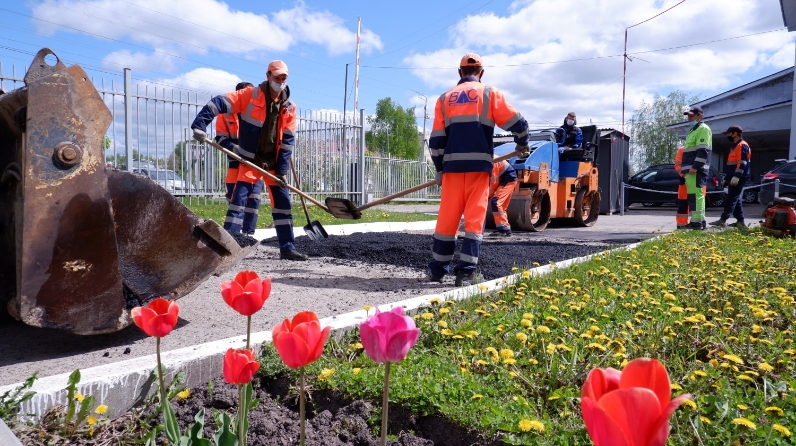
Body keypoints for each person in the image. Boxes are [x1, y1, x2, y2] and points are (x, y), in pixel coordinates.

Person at [427, 52, 529, 286]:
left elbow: (436, 141)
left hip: (452, 169)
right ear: (481, 73)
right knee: (474, 221)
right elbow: (518, 123)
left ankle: (437, 271)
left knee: (446, 221)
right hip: (478, 170)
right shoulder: (489, 94)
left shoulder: (444, 99)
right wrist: (522, 142)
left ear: (459, 72)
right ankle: (465, 274)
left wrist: (439, 169)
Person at [191, 60, 307, 261]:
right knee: (238, 202)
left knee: (283, 204)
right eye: (277, 77)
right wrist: (200, 125)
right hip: (251, 161)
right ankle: (226, 248)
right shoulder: (250, 95)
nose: (280, 81)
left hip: (274, 164)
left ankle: (287, 248)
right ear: (268, 75)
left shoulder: (290, 107)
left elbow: (288, 141)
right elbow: (219, 102)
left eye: (284, 78)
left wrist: (282, 171)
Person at [216, 81, 253, 203]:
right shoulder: (225, 114)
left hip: (253, 162)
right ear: (238, 94)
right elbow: (220, 139)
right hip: (234, 161)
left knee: (252, 198)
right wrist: (235, 148)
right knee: (233, 195)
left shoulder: (258, 113)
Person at [710, 125, 750, 228]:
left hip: (739, 177)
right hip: (733, 177)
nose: (727, 135)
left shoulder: (742, 145)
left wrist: (737, 176)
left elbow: (742, 162)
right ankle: (740, 221)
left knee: (731, 198)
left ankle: (723, 220)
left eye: (728, 133)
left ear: (735, 134)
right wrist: (727, 178)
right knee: (736, 199)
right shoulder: (734, 146)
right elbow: (731, 165)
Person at [679, 105, 712, 230]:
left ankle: (696, 223)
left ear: (700, 116)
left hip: (695, 170)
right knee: (695, 195)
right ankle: (698, 221)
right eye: (688, 115)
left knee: (695, 196)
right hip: (691, 170)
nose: (689, 117)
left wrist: (695, 167)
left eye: (691, 115)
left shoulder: (703, 129)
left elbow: (703, 150)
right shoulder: (694, 130)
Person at [488, 156, 518, 236]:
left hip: (509, 180)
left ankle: (503, 229)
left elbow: (493, 182)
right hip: (505, 179)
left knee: (496, 202)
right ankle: (506, 229)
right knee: (501, 206)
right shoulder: (488, 158)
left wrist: (488, 196)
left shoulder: (492, 161)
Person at [673, 146, 690, 229]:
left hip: (698, 183)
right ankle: (681, 225)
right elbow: (677, 165)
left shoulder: (702, 148)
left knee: (697, 207)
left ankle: (697, 225)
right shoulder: (682, 149)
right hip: (684, 183)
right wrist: (684, 175)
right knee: (683, 206)